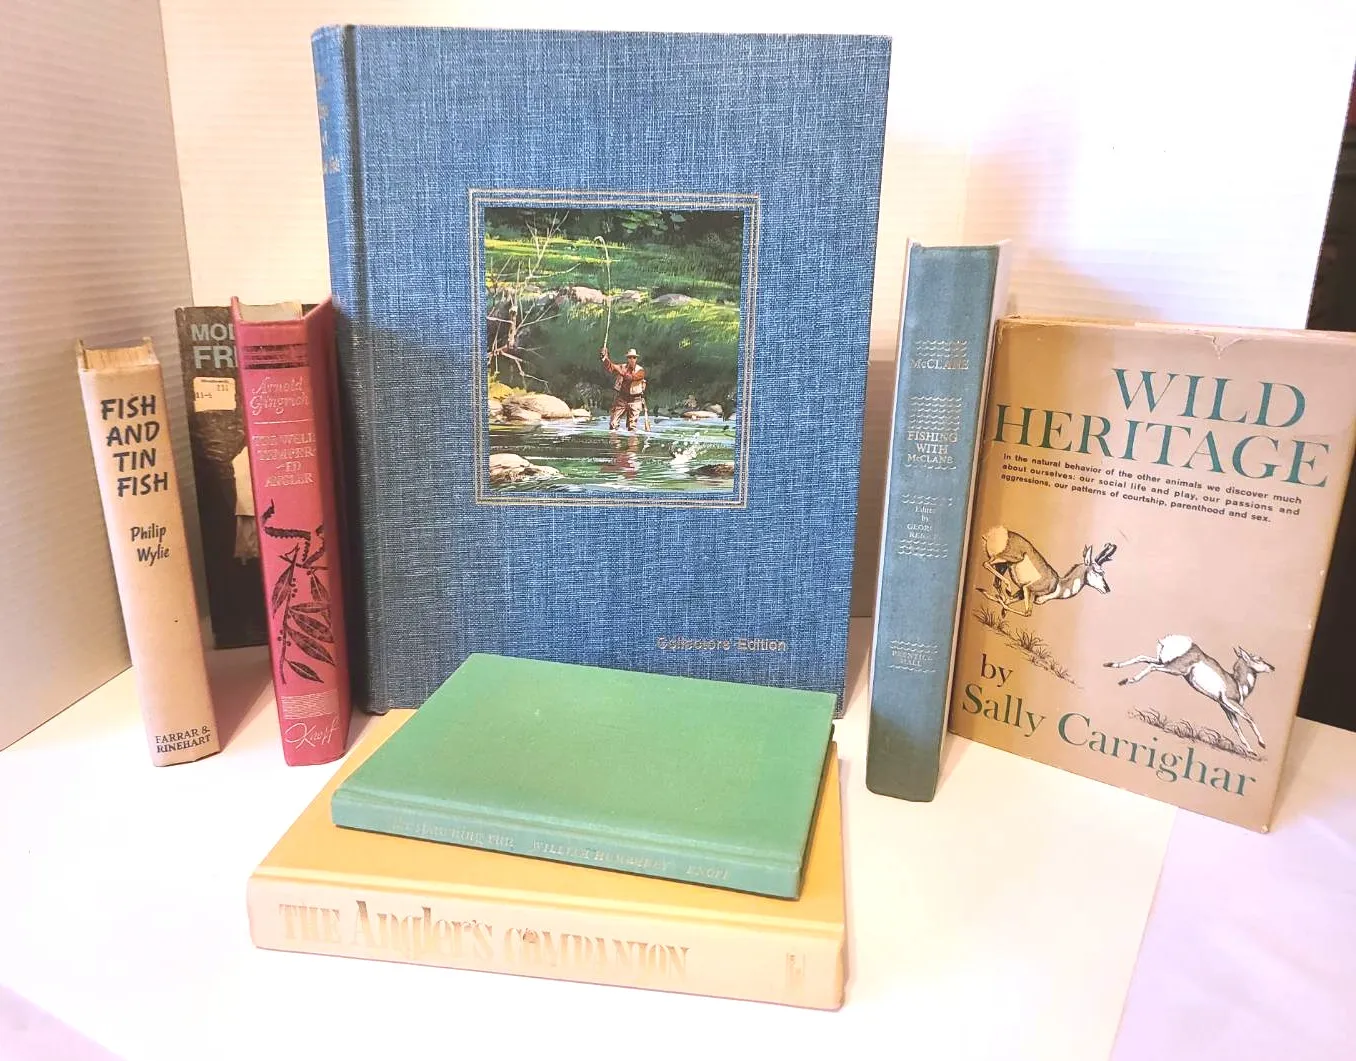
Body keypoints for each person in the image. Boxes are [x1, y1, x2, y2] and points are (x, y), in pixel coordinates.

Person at [600, 346, 647, 432]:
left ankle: (632, 440)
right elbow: (610, 367)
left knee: (632, 427)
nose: (632, 359)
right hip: (622, 399)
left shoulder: (640, 371)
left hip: (635, 400)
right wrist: (605, 358)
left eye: (634, 357)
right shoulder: (622, 367)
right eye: (630, 357)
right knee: (613, 425)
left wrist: (620, 371)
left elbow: (632, 377)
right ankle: (614, 439)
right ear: (627, 359)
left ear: (636, 359)